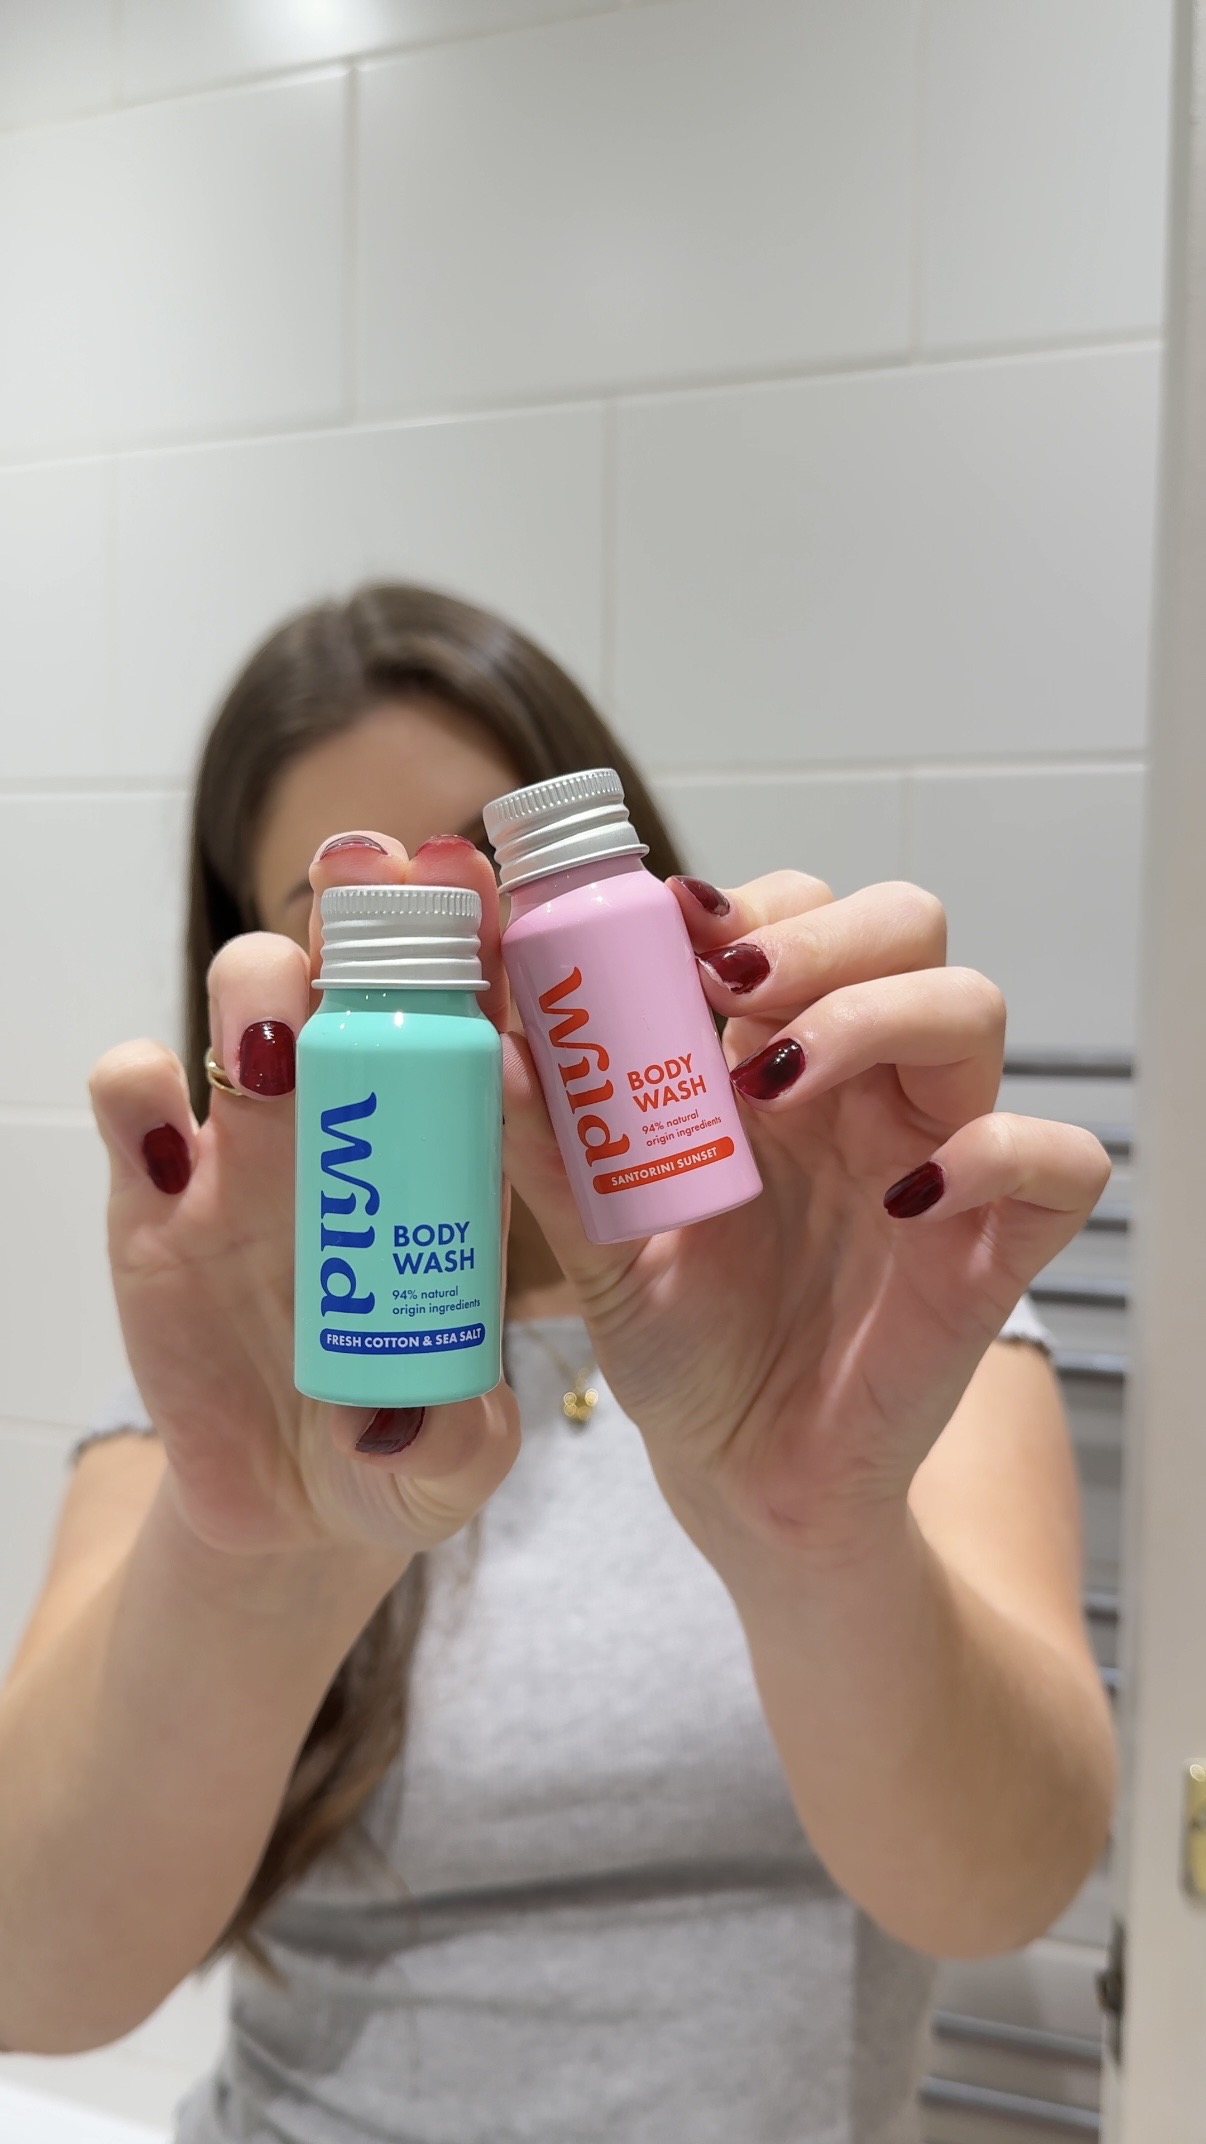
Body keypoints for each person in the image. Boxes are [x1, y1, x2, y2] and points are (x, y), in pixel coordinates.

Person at [0, 586, 1114, 2144]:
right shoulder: (240, 1416)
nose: (449, 962)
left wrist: (812, 1530)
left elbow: (1004, 1884)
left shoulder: (886, 1320)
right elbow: (34, 1985)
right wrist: (259, 1556)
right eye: (352, 918)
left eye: (483, 872)